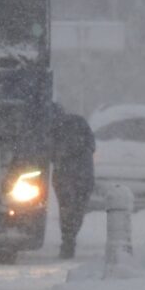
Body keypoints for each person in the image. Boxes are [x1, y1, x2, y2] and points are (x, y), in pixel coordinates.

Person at [50, 105, 96, 259]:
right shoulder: (80, 122)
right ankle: (71, 237)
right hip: (84, 174)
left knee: (66, 208)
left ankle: (68, 240)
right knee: (78, 208)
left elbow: (48, 153)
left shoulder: (54, 129)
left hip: (65, 174)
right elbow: (92, 145)